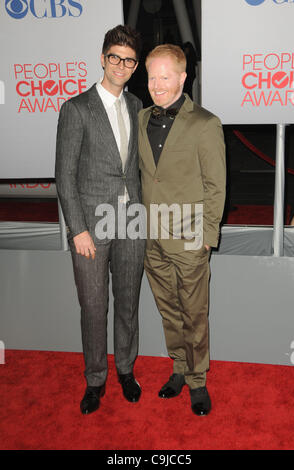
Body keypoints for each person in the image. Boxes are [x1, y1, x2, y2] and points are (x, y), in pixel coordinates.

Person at [55, 25, 145, 415]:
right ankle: (95, 379)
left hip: (132, 222)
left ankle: (125, 369)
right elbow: (65, 175)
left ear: (135, 65)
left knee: (127, 303)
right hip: (92, 226)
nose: (121, 65)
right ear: (102, 57)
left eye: (128, 60)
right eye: (114, 57)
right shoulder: (76, 108)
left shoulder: (138, 106)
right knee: (94, 308)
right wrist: (78, 229)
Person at [138, 44, 226, 416]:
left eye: (164, 76)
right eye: (152, 76)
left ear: (182, 77)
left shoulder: (205, 123)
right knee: (169, 309)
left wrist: (208, 236)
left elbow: (216, 186)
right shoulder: (141, 118)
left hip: (190, 237)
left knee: (194, 312)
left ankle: (198, 380)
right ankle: (178, 367)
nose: (157, 84)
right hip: (150, 237)